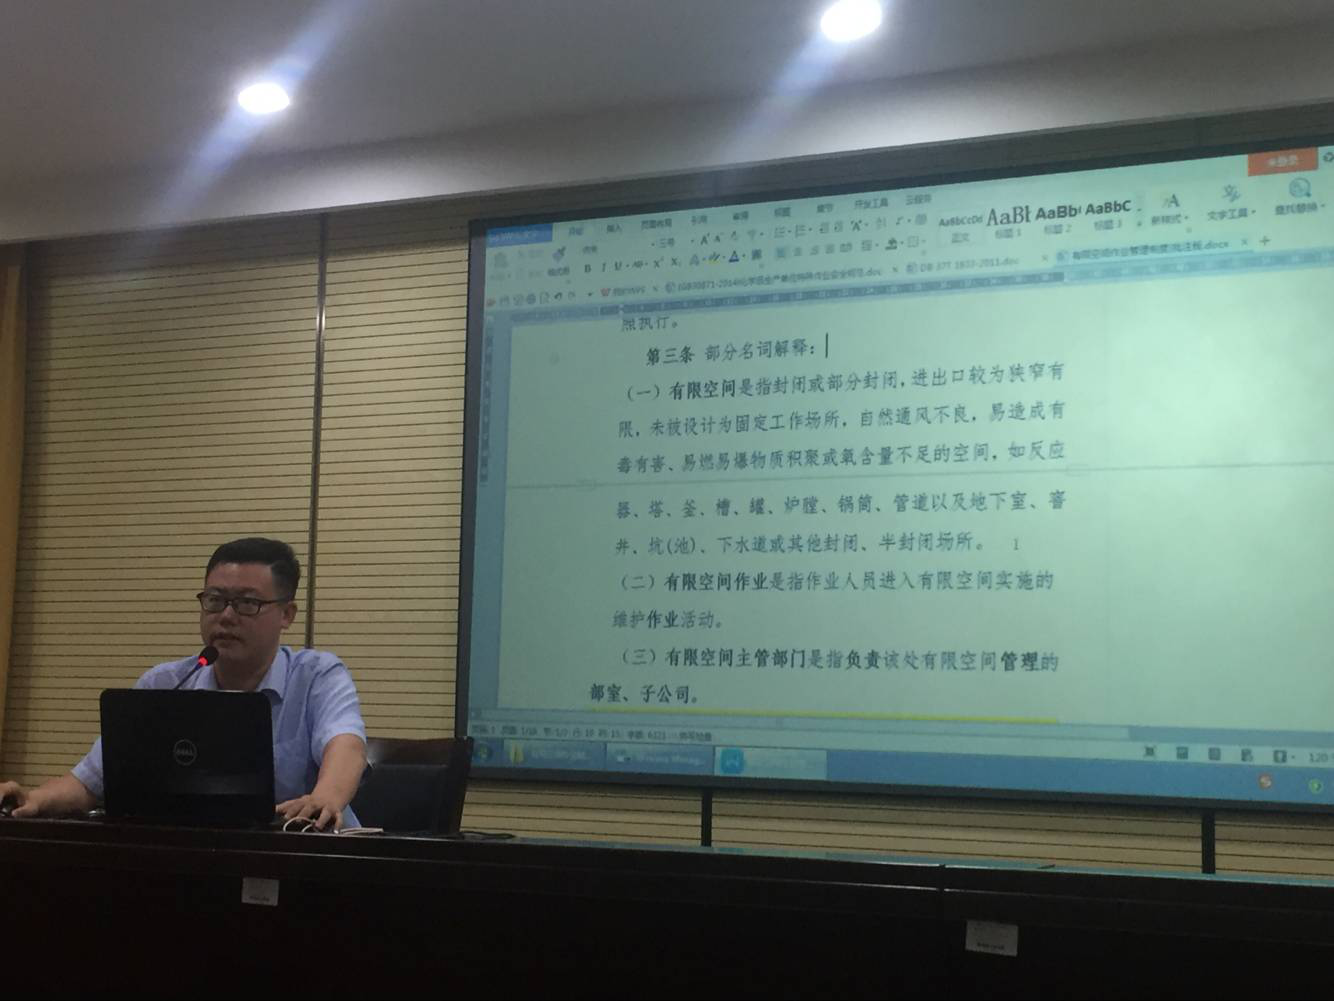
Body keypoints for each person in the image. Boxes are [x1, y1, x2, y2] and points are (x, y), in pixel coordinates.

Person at [0, 537, 367, 830]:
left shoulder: (317, 675)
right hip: (195, 860)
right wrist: (34, 800)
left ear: (286, 614)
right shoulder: (166, 683)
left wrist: (326, 797)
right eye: (215, 600)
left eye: (247, 603)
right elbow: (89, 782)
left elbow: (346, 745)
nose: (226, 616)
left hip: (306, 861)